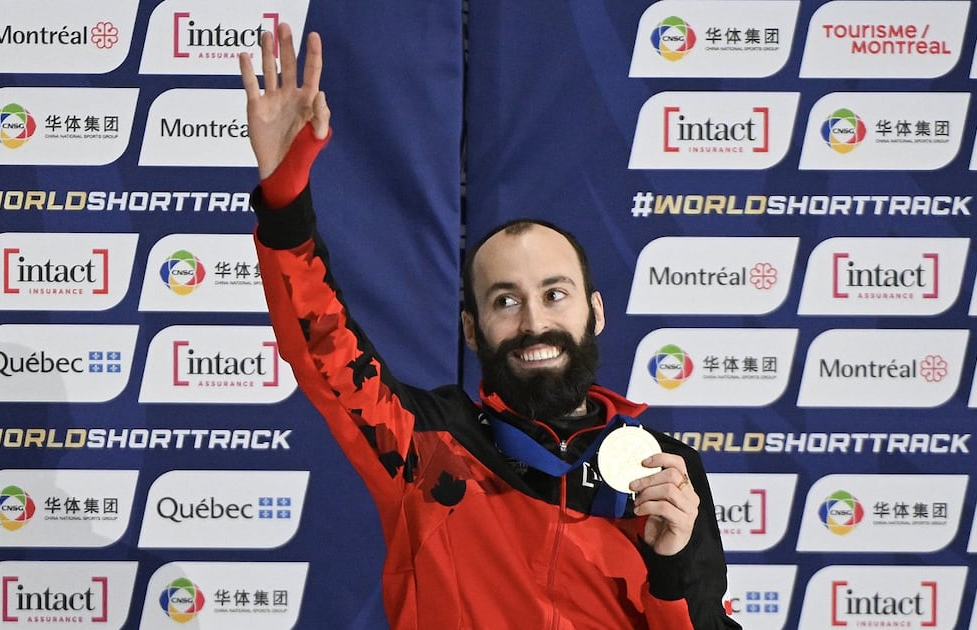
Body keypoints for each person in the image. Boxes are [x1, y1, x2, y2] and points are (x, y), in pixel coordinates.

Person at [240, 22, 741, 629]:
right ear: (472, 330)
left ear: (596, 312)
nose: (535, 323)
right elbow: (323, 343)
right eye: (505, 301)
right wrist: (286, 191)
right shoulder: (423, 448)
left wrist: (672, 569)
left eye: (555, 294)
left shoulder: (663, 472)